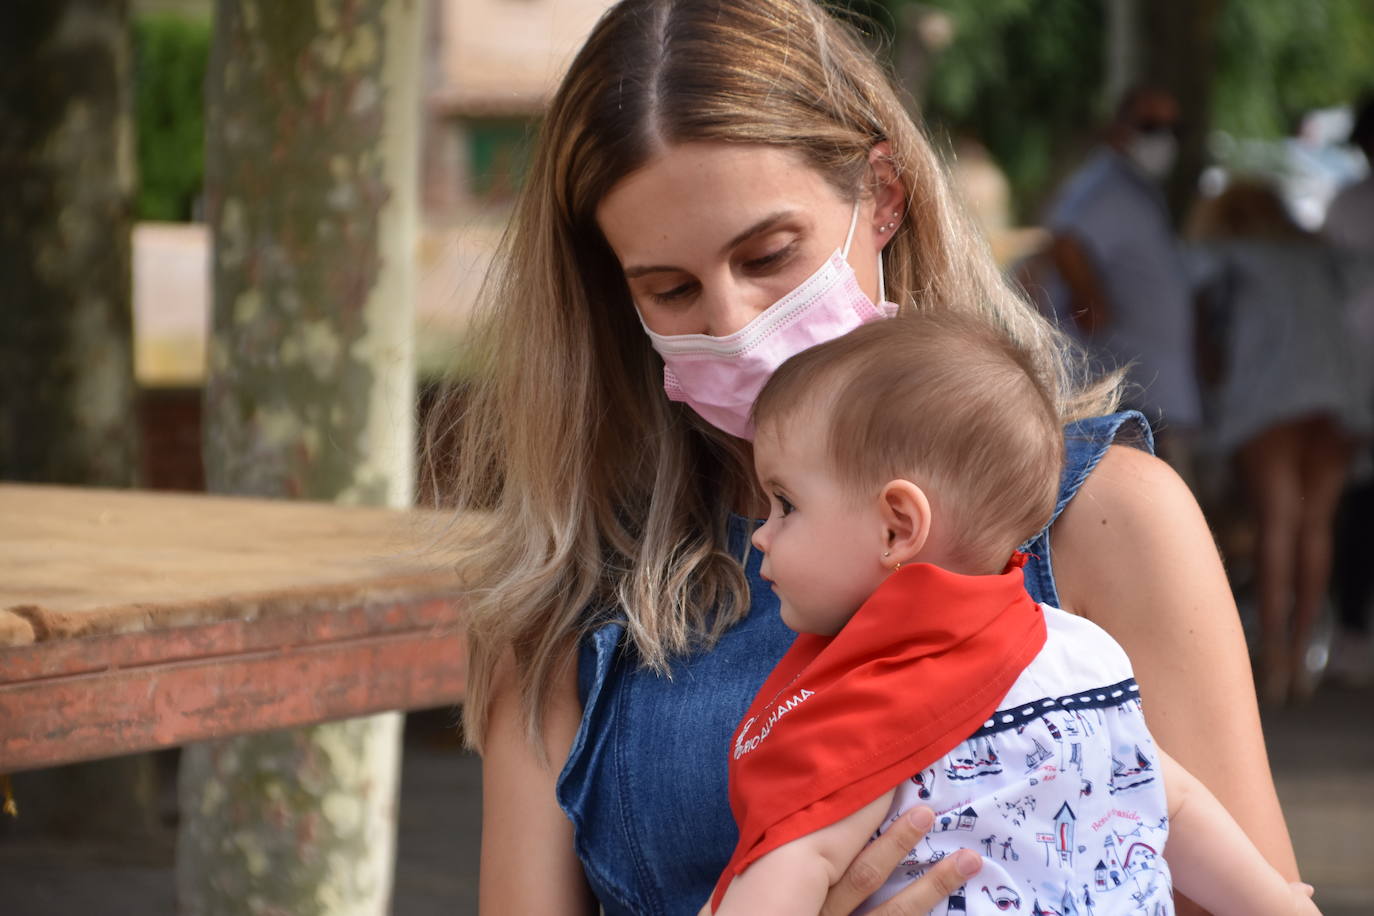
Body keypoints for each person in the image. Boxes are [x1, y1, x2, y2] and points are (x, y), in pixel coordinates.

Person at [443, 2, 1302, 913]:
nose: (734, 324)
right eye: (671, 288)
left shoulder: (1103, 515)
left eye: (770, 255)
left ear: (883, 196)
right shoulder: (573, 600)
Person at [705, 314, 1319, 916]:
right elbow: (1170, 801)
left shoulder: (869, 701)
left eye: (785, 504)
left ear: (897, 526)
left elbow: (798, 862)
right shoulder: (1079, 651)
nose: (762, 534)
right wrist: (1275, 904)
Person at [1188, 180, 1370, 703]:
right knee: (1316, 527)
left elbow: (1200, 326)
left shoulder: (1227, 255)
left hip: (1268, 396)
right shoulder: (1318, 257)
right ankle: (1301, 657)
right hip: (1334, 396)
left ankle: (1272, 658)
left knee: (1277, 524)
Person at [1046, 87, 1202, 478]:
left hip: (1149, 389)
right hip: (1127, 390)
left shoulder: (1137, 188)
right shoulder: (1107, 185)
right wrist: (1091, 301)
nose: (1163, 139)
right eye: (1150, 126)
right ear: (1118, 128)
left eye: (1173, 129)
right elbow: (1065, 240)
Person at [1324, 94, 1374, 687]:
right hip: (1353, 370)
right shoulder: (1345, 204)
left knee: (1356, 503)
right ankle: (1354, 626)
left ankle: (1354, 628)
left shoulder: (1344, 205)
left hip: (1350, 366)